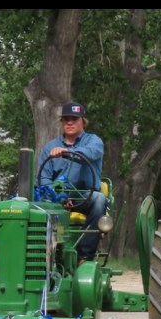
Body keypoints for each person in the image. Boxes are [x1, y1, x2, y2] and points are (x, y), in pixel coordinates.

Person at [38, 101, 106, 264]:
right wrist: (58, 197)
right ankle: (43, 258)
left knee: (99, 199)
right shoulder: (50, 147)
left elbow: (90, 154)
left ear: (83, 121)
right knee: (34, 206)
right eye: (66, 119)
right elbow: (44, 180)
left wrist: (68, 152)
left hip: (84, 196)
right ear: (61, 122)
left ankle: (84, 256)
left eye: (74, 119)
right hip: (56, 198)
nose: (69, 122)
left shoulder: (93, 141)